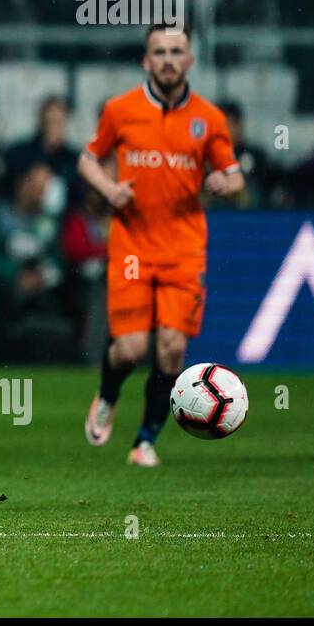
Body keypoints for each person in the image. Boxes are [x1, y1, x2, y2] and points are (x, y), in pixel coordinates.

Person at [79, 25, 244, 467]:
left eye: (177, 51)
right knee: (130, 349)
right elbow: (88, 158)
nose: (169, 59)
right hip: (132, 245)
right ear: (145, 61)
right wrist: (110, 191)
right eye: (160, 52)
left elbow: (235, 174)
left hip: (184, 249)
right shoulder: (120, 110)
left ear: (190, 60)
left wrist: (222, 182)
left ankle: (145, 441)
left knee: (171, 348)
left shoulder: (209, 118)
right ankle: (109, 394)